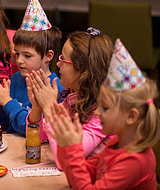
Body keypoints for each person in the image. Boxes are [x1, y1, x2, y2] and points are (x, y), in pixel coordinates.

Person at [49, 39, 159, 189]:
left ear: (131, 116)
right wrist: (65, 144)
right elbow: (80, 175)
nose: (98, 112)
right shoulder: (115, 145)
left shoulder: (135, 161)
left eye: (105, 108)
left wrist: (73, 148)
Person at [27, 27, 113, 169]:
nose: (58, 64)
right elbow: (40, 137)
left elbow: (66, 160)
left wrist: (49, 108)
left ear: (82, 70)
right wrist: (37, 107)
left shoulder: (102, 113)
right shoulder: (75, 98)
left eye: (64, 60)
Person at [0, 0, 64, 134]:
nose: (19, 60)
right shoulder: (16, 79)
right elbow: (2, 123)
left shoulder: (56, 88)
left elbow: (35, 129)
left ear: (48, 56)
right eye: (17, 53)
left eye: (27, 56)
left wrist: (7, 102)